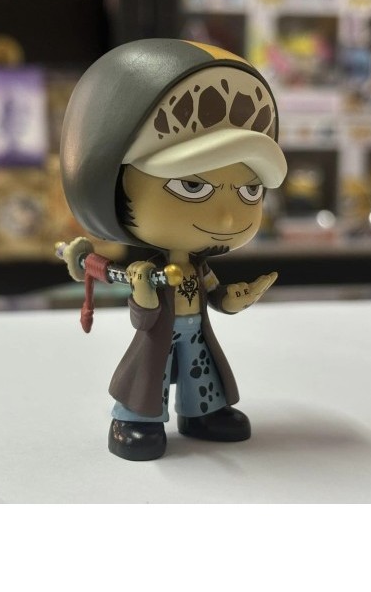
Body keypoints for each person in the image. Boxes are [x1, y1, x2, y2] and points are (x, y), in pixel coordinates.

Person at [60, 39, 287, 460]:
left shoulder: (198, 265)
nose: (227, 218)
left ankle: (203, 413)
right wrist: (144, 293)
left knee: (205, 373)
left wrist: (232, 298)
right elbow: (144, 317)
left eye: (250, 190)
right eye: (193, 186)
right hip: (160, 332)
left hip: (195, 330)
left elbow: (213, 293)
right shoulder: (149, 268)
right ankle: (135, 419)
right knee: (150, 373)